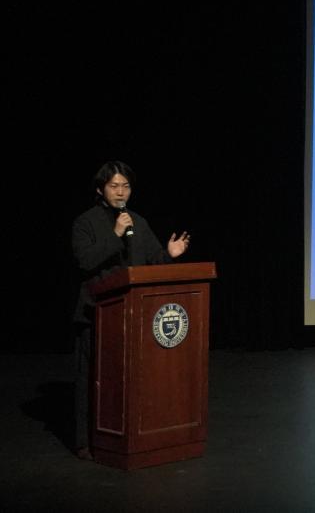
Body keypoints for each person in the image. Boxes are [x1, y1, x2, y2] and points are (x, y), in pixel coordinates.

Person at [70, 160, 190, 460]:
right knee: (91, 379)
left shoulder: (137, 221)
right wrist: (115, 233)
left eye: (125, 186)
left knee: (129, 378)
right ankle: (85, 441)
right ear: (101, 189)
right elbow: (85, 262)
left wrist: (169, 255)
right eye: (114, 186)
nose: (120, 191)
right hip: (96, 312)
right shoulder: (85, 222)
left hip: (134, 315)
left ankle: (129, 437)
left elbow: (152, 263)